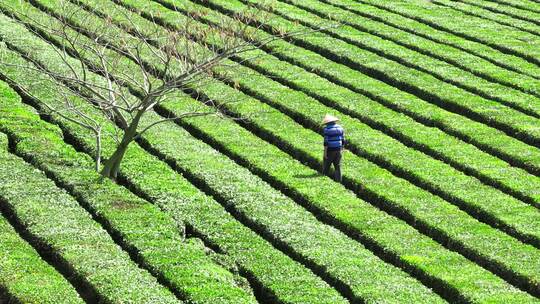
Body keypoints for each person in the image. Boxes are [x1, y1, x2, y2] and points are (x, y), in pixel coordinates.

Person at [321, 114, 345, 182]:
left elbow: (326, 142)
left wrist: (325, 153)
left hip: (330, 150)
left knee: (326, 166)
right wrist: (342, 149)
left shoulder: (327, 129)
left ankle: (323, 180)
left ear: (327, 122)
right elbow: (343, 140)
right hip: (338, 149)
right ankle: (339, 182)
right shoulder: (340, 128)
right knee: (338, 167)